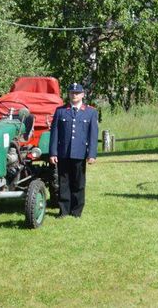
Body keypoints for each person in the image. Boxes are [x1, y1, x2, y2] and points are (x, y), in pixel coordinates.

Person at [49, 83, 99, 218]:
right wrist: (53, 152)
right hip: (63, 153)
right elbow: (54, 133)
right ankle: (64, 210)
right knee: (63, 182)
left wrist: (92, 154)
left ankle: (77, 211)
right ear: (69, 94)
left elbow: (93, 135)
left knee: (78, 182)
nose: (74, 95)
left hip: (80, 152)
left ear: (83, 94)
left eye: (77, 93)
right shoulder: (60, 111)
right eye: (72, 93)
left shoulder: (90, 112)